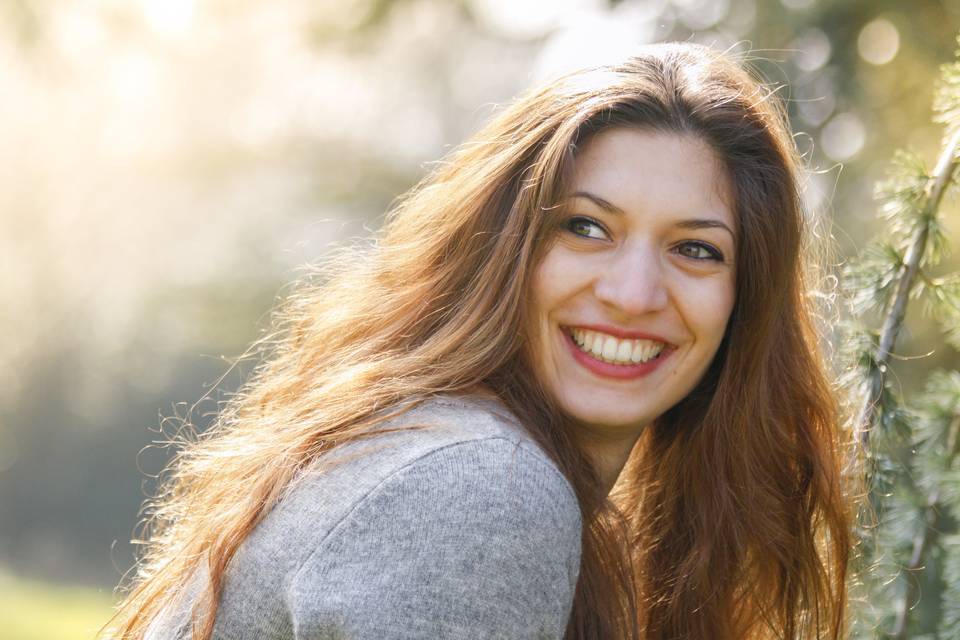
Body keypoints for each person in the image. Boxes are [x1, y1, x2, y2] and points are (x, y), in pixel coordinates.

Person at [105, 42, 852, 640]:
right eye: (585, 227)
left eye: (695, 249)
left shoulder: (440, 445)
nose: (633, 294)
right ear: (503, 249)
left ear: (743, 302)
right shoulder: (483, 489)